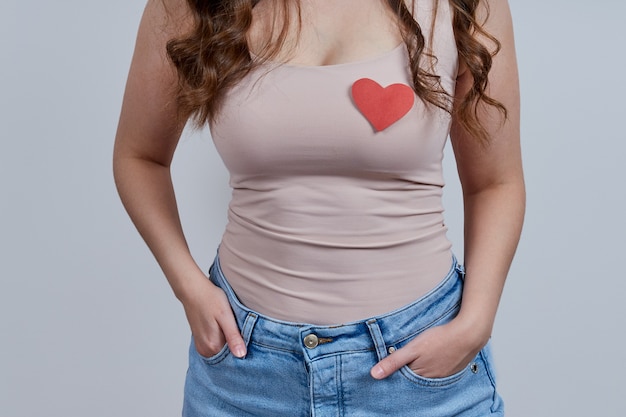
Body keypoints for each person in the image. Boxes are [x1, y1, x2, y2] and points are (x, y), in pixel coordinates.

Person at [113, 0, 524, 415]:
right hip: (245, 368)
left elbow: (495, 183)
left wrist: (475, 324)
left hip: (421, 366)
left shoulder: (464, 6)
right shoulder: (193, 5)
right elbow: (139, 157)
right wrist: (189, 288)